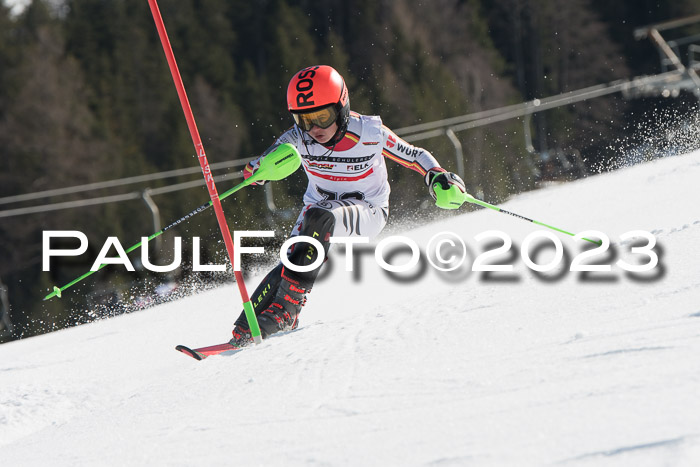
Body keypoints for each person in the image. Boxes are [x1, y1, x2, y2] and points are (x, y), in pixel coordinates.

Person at [230, 65, 467, 346]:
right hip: (318, 208)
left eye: (322, 117)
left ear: (341, 107)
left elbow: (414, 154)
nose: (314, 129)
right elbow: (265, 164)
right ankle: (247, 327)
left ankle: (286, 311)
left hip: (368, 209)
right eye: (304, 119)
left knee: (321, 218)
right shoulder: (296, 138)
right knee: (291, 261)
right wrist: (255, 172)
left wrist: (437, 175)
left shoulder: (368, 132)